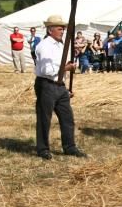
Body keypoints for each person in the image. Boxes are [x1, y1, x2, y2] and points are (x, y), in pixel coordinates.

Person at [34, 14, 86, 160]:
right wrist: (66, 68)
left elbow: (61, 66)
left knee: (67, 117)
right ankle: (43, 148)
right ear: (50, 30)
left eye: (63, 28)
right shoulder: (44, 46)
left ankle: (69, 147)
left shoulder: (60, 45)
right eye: (59, 28)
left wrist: (65, 80)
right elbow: (46, 71)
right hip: (47, 85)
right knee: (45, 118)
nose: (63, 30)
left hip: (59, 86)